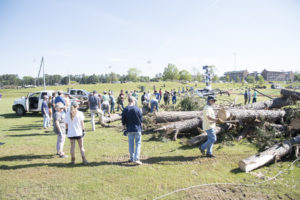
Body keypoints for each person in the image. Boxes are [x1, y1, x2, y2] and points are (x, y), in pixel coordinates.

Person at [122, 96, 143, 165]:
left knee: (131, 144)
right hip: (137, 128)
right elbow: (141, 120)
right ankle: (136, 158)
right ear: (133, 101)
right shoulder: (137, 109)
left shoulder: (125, 109)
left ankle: (131, 158)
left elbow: (123, 121)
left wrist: (124, 129)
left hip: (129, 129)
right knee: (138, 143)